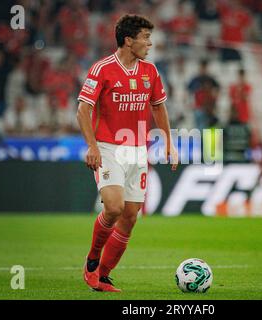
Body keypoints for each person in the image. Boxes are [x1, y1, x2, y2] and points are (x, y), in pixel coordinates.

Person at [76, 14, 178, 293]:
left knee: (131, 215)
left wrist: (168, 141)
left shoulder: (150, 71)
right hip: (109, 147)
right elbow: (83, 109)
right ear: (128, 40)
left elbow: (158, 106)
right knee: (113, 207)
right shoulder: (102, 69)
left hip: (138, 150)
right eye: (145, 37)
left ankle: (104, 276)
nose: (150, 43)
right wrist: (92, 146)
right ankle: (92, 261)